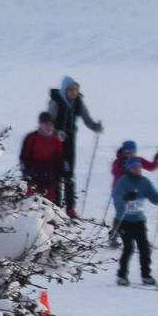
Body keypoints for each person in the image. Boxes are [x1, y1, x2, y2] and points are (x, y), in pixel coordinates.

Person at [47, 76, 104, 216]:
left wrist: (95, 126)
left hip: (70, 139)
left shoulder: (78, 102)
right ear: (64, 90)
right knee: (56, 172)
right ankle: (55, 204)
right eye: (70, 89)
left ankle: (70, 207)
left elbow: (86, 118)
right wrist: (56, 132)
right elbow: (48, 122)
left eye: (76, 89)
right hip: (55, 140)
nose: (74, 92)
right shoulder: (56, 101)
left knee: (69, 173)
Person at [110, 155, 158, 286]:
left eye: (139, 167)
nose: (138, 170)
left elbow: (153, 196)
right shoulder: (123, 181)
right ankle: (122, 275)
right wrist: (125, 197)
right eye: (135, 168)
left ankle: (146, 275)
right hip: (123, 220)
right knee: (128, 248)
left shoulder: (144, 182)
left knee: (144, 248)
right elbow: (117, 198)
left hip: (139, 220)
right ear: (129, 169)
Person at [20, 112, 66, 207]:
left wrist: (59, 175)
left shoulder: (56, 140)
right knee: (31, 203)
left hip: (49, 177)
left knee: (49, 205)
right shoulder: (32, 138)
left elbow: (60, 159)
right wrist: (26, 174)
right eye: (46, 124)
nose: (49, 127)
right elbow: (24, 157)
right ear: (40, 124)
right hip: (33, 175)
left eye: (51, 124)